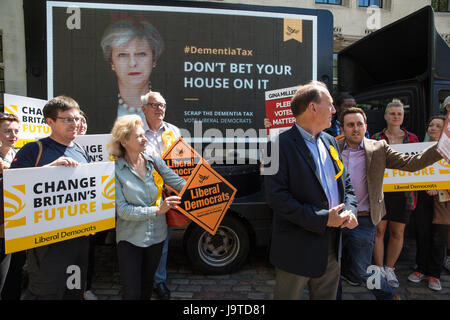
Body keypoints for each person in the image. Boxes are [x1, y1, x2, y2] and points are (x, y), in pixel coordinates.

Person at [265, 80, 358, 300]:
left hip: (333, 246)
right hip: (296, 248)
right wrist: (323, 219)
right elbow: (276, 198)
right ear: (313, 107)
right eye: (331, 105)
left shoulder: (331, 142)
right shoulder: (275, 146)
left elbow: (346, 184)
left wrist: (350, 210)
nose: (335, 111)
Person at [338, 107, 444, 299]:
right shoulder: (331, 147)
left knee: (363, 270)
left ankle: (388, 295)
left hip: (363, 220)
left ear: (366, 126)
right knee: (331, 271)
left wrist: (442, 148)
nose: (355, 129)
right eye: (350, 125)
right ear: (342, 128)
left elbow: (412, 163)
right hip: (334, 219)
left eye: (359, 124)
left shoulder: (378, 148)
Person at [10, 96, 89, 300]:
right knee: (46, 293)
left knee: (74, 291)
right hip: (45, 243)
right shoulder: (33, 150)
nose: (76, 124)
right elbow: (13, 188)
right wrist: (48, 169)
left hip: (78, 239)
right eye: (68, 119)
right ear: (50, 122)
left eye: (77, 119)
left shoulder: (81, 150)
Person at [110, 115, 185, 300]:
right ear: (124, 141)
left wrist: (211, 191)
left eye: (144, 135)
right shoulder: (114, 170)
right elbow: (123, 211)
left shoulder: (153, 159)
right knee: (132, 293)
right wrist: (157, 210)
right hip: (130, 239)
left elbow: (174, 180)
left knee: (145, 289)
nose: (145, 139)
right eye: (139, 136)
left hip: (156, 237)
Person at [371, 99, 419, 288]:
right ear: (385, 116)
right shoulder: (376, 137)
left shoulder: (413, 139)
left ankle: (390, 269)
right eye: (392, 113)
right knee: (379, 231)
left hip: (405, 192)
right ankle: (379, 268)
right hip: (381, 191)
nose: (396, 116)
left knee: (397, 232)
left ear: (403, 117)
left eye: (399, 114)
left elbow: (419, 164)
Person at [140, 91, 180, 300]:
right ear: (144, 108)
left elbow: (184, 160)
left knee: (163, 240)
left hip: (166, 193)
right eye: (155, 105)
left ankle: (158, 281)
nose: (160, 109)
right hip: (139, 193)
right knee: (138, 239)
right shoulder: (135, 130)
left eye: (162, 105)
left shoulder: (173, 131)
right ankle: (139, 279)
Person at [408, 115, 449, 291]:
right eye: (431, 125)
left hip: (444, 199)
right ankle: (420, 269)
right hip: (423, 197)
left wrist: (438, 187)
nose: (432, 128)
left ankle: (434, 274)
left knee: (439, 238)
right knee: (422, 234)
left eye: (438, 126)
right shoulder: (419, 149)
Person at [100, 17, 164, 122]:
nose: (132, 63)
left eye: (141, 54)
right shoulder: (97, 109)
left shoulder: (174, 107)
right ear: (112, 63)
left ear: (154, 60)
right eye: (123, 55)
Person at [0, 112, 21, 300]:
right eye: (7, 131)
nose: (13, 135)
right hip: (1, 227)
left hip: (17, 224)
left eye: (15, 131)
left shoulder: (20, 155)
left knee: (15, 272)